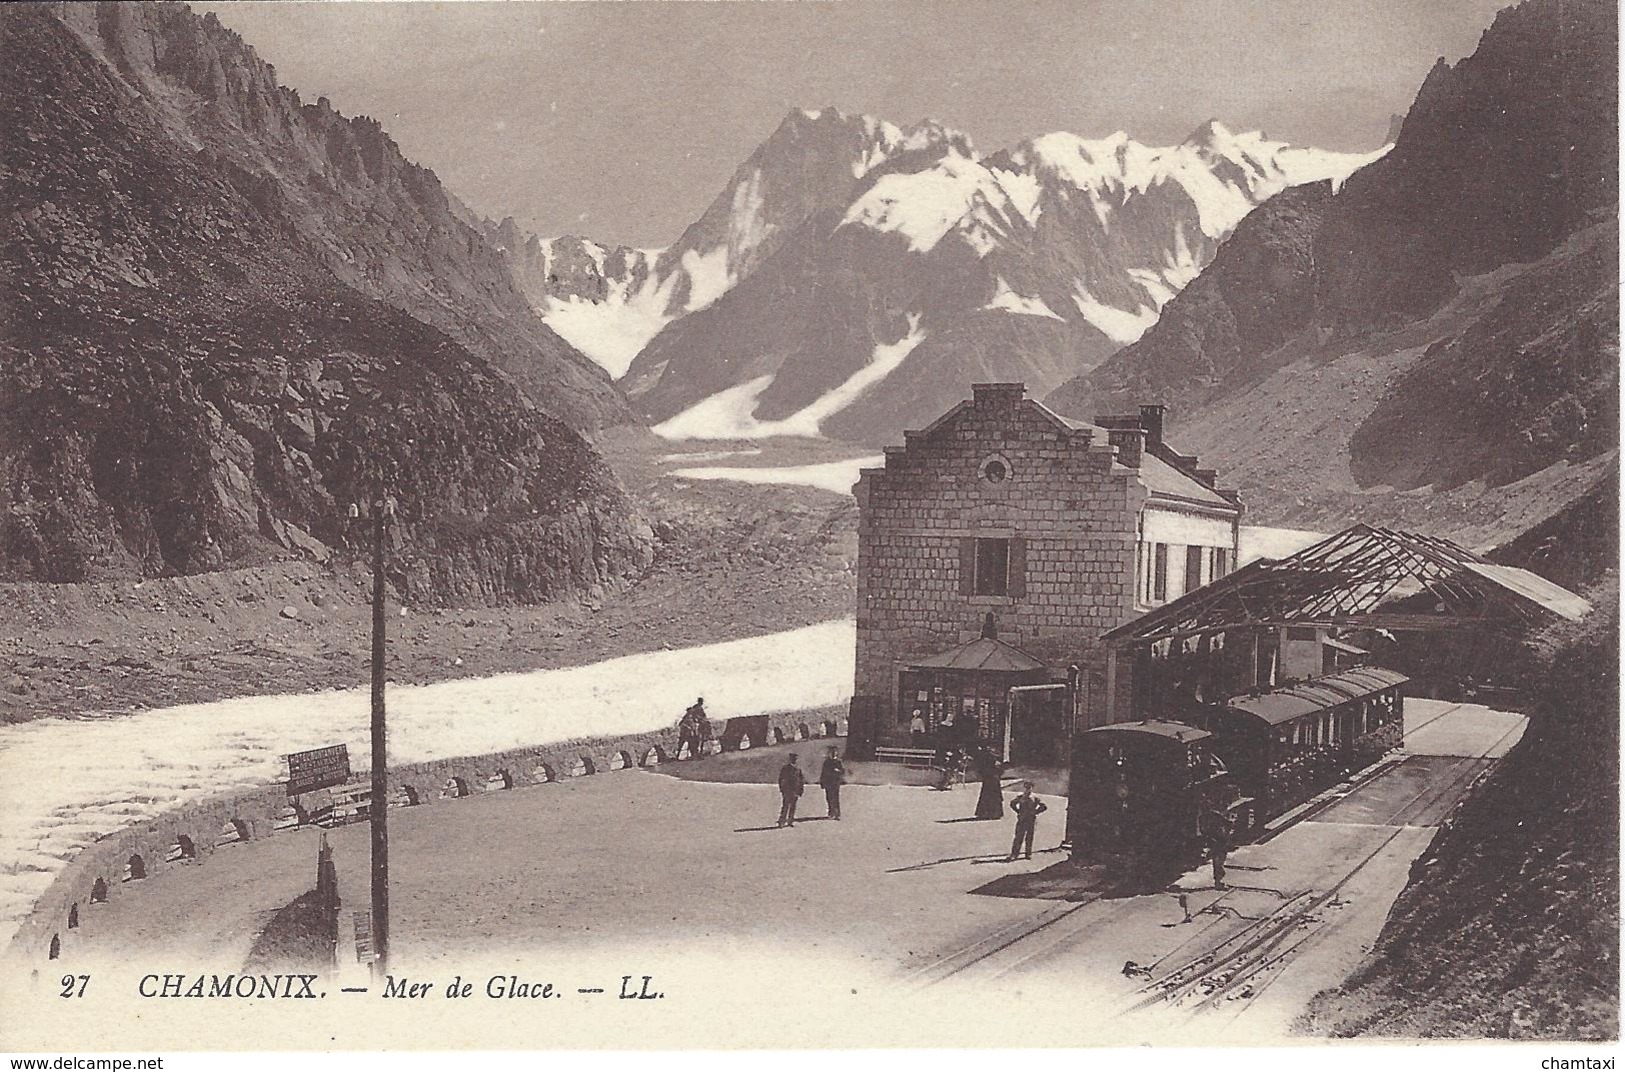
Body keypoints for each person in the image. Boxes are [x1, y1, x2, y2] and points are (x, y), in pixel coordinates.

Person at [1007, 781, 1047, 861]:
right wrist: (1018, 811)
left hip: (1031, 819)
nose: (1028, 789)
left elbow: (1044, 806)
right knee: (1018, 837)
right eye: (1027, 787)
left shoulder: (1035, 798)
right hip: (1022, 818)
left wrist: (1035, 812)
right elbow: (1012, 803)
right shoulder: (1021, 796)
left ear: (1032, 788)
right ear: (1025, 788)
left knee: (1029, 837)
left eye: (1030, 787)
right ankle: (1014, 854)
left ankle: (1028, 854)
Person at [1200, 806, 1234, 889]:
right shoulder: (1214, 815)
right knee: (1218, 861)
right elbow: (1229, 823)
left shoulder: (1206, 817)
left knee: (1217, 861)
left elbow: (1202, 830)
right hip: (1218, 841)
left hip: (1217, 840)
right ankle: (1218, 882)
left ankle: (1218, 881)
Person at [973, 747, 1005, 820]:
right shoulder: (992, 762)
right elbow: (1000, 771)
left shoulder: (986, 762)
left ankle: (987, 813)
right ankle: (993, 813)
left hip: (990, 779)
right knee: (992, 796)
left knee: (988, 796)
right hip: (992, 779)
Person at [777, 754, 806, 828]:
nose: (794, 760)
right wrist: (782, 789)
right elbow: (781, 779)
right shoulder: (786, 768)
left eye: (795, 759)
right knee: (785, 806)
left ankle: (790, 820)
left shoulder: (798, 769)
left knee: (793, 806)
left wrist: (800, 790)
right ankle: (782, 821)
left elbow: (801, 780)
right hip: (787, 790)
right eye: (793, 759)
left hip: (795, 790)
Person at [818, 746, 846, 820]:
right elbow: (823, 772)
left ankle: (837, 814)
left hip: (835, 782)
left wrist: (838, 771)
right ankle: (831, 812)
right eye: (832, 752)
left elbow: (843, 771)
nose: (833, 753)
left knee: (836, 798)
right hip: (828, 782)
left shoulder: (838, 762)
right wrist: (822, 782)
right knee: (829, 798)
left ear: (836, 753)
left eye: (834, 752)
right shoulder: (827, 762)